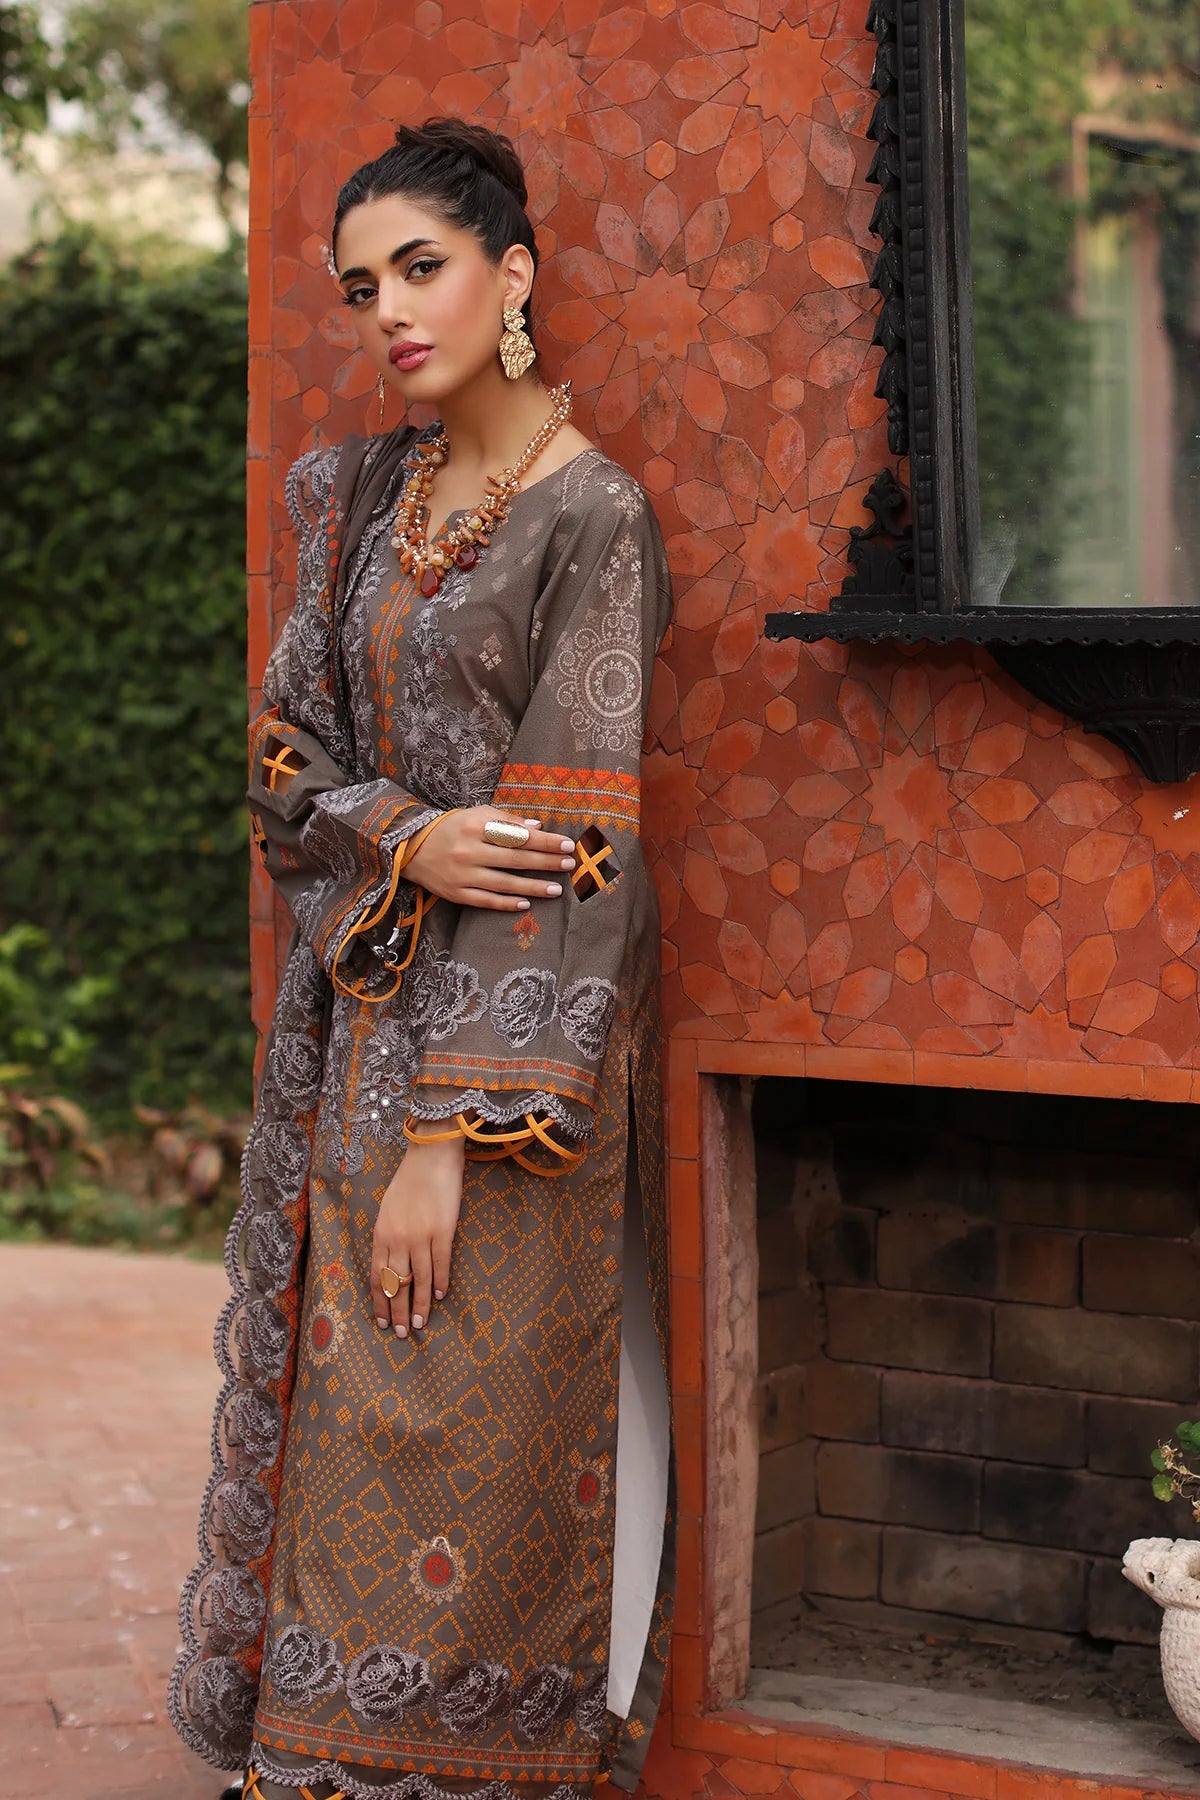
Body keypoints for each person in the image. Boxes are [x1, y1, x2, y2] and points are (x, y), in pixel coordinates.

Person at [168, 117, 675, 1800]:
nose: (386, 310)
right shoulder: (357, 500)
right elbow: (279, 755)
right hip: (352, 1030)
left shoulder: (593, 517)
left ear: (512, 276)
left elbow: (575, 846)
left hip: (512, 1062)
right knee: (345, 1424)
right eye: (359, 286)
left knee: (463, 1430)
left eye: (420, 268)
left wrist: (447, 1141)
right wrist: (404, 833)